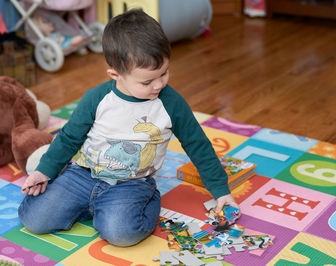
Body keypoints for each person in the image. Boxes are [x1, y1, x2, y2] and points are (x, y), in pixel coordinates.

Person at [18, 9, 239, 247]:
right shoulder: (96, 98)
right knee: (34, 219)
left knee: (122, 234)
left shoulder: (171, 103)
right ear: (115, 74)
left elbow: (198, 145)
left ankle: (144, 199)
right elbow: (68, 138)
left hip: (133, 183)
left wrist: (220, 190)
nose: (159, 84)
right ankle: (95, 207)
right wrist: (44, 171)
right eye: (147, 81)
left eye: (164, 73)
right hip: (82, 174)